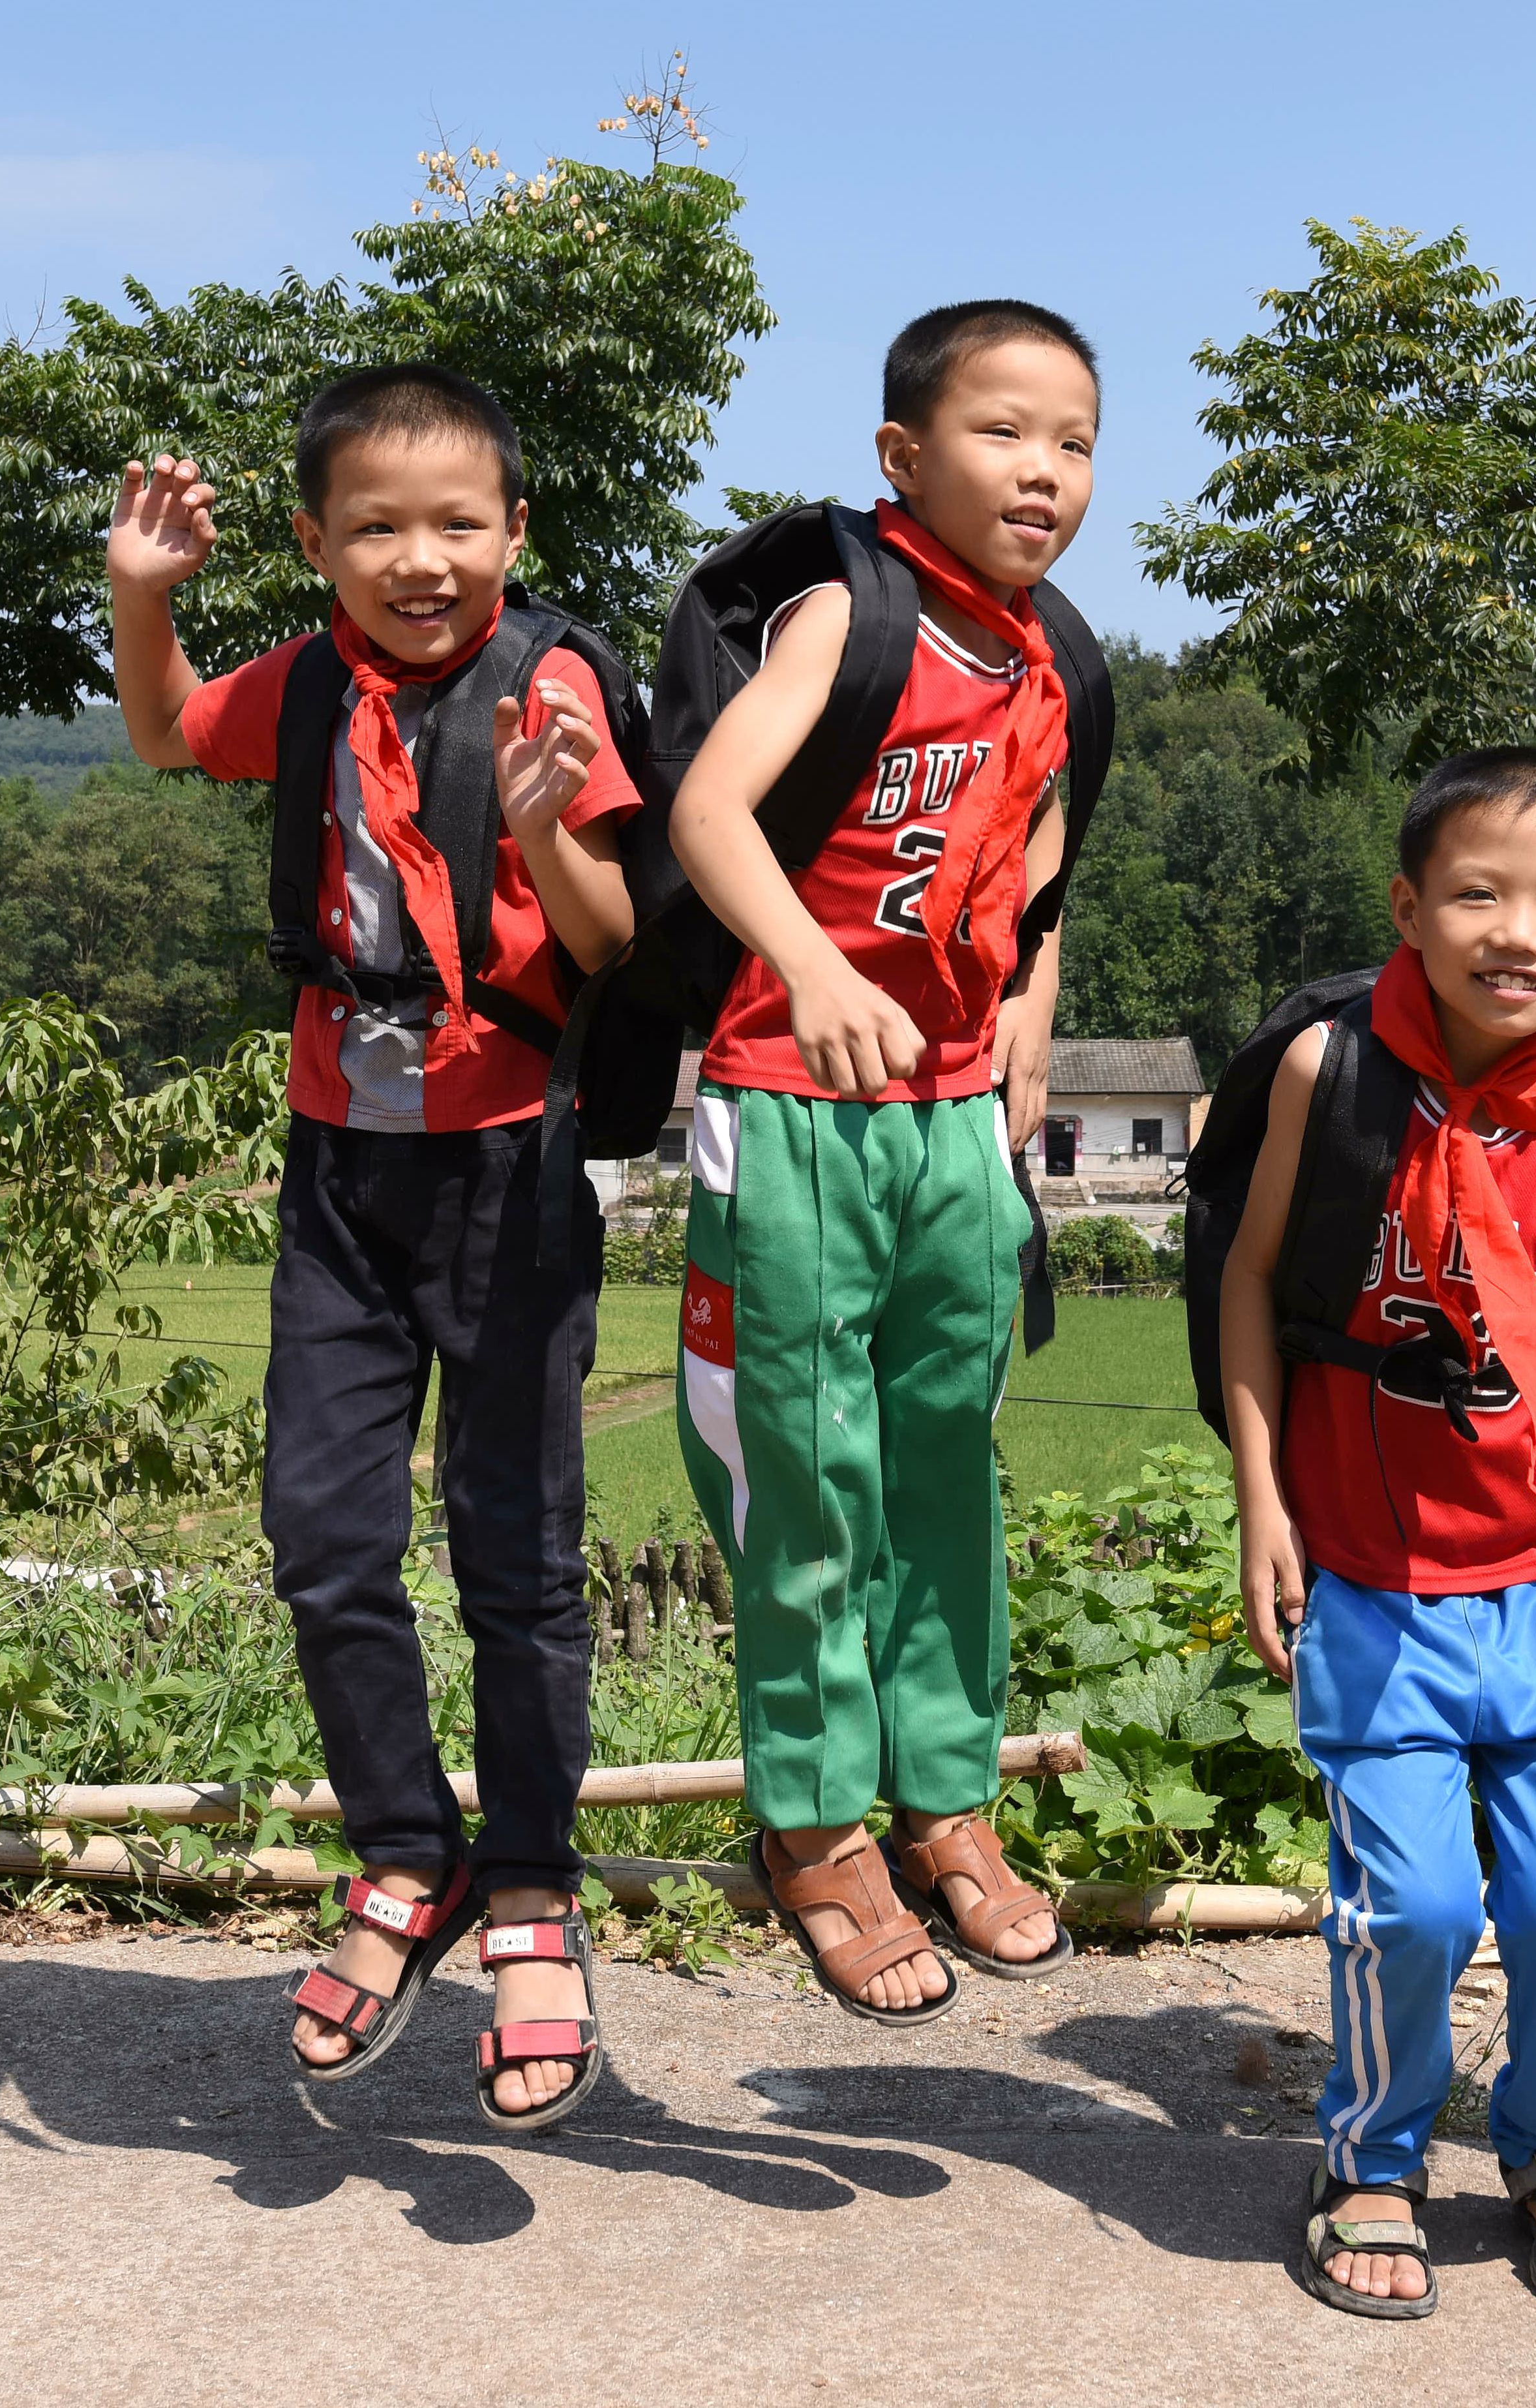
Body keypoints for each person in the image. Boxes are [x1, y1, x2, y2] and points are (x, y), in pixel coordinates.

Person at [106, 364, 643, 2129]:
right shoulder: (319, 679)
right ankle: (406, 1860)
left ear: (515, 531)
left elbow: (611, 934)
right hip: (341, 1164)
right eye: (379, 529)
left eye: (458, 525)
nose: (423, 559)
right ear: (316, 543)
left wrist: (549, 815)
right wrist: (142, 594)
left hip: (506, 1162)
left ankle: (537, 1895)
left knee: (519, 1558)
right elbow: (171, 731)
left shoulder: (546, 679)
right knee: (325, 1541)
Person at [667, 302, 1100, 2020]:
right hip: (793, 1102)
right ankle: (811, 1823)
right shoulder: (862, 616)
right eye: (1003, 431)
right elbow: (711, 812)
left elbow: (1038, 863)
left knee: (945, 1472)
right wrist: (820, 966)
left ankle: (945, 1796)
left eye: (1072, 439)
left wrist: (1033, 1031)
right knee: (814, 1480)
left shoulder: (1049, 653)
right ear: (904, 457)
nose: (1043, 469)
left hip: (948, 1129)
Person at [1221, 748, 1536, 2319]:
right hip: (1371, 1582)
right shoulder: (1329, 1079)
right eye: (1476, 892)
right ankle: (1369, 2155)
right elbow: (1251, 1285)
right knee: (1408, 1907)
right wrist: (1261, 1498)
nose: (1517, 931)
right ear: (1406, 909)